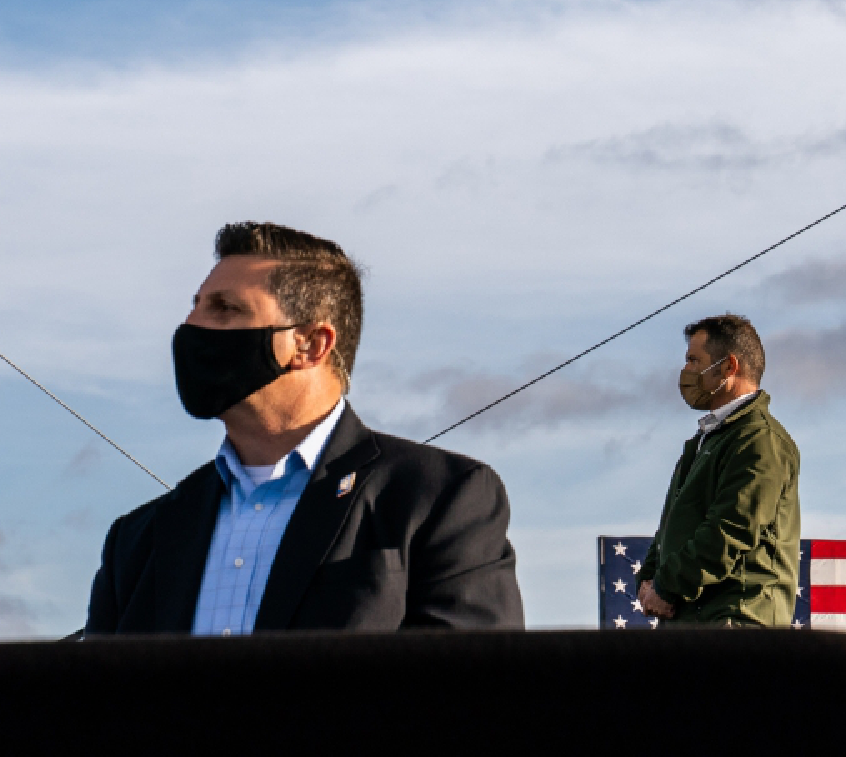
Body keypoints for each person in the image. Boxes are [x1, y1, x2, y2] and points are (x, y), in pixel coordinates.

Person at [86, 221, 524, 634]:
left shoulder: (439, 497)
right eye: (196, 306)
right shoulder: (139, 537)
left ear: (311, 344)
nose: (191, 326)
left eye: (225, 309)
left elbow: (476, 691)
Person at [636, 314, 799, 627]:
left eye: (694, 360)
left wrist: (665, 587)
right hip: (692, 625)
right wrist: (648, 583)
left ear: (729, 367)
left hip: (735, 625)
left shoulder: (760, 439)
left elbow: (729, 532)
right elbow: (671, 528)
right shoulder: (705, 441)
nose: (686, 371)